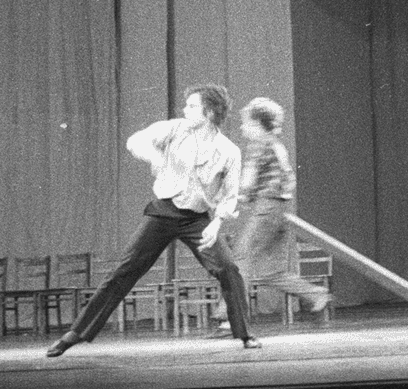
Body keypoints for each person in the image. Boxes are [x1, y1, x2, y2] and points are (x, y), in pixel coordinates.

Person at [46, 84, 258, 356]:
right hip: (163, 212)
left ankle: (245, 334)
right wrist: (155, 156)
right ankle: (75, 334)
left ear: (209, 112)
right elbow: (136, 141)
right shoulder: (175, 129)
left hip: (196, 219)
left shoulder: (228, 151)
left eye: (192, 106)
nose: (185, 109)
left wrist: (216, 224)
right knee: (125, 270)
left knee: (228, 268)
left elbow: (230, 196)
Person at [223, 97, 332, 319]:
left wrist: (242, 197)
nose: (242, 128)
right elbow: (289, 180)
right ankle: (314, 293)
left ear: (257, 124)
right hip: (281, 210)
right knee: (270, 272)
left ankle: (230, 315)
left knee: (241, 257)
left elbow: (248, 180)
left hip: (266, 208)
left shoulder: (259, 145)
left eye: (246, 123)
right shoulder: (277, 145)